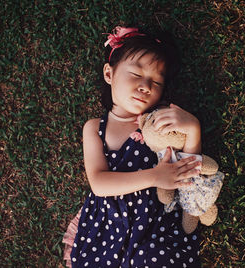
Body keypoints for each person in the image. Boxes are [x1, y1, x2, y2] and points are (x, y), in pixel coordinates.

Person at [63, 26, 203, 267]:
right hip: (108, 224)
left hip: (155, 223)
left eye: (156, 82)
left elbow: (189, 170)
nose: (145, 86)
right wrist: (155, 176)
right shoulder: (95, 128)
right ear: (109, 73)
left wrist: (193, 129)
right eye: (136, 74)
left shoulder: (161, 121)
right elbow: (98, 183)